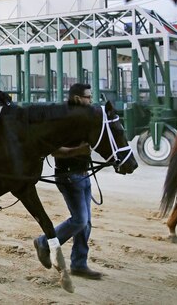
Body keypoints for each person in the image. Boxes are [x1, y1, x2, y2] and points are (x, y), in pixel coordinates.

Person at [33, 83, 103, 280]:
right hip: (68, 176)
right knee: (79, 220)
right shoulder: (61, 120)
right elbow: (52, 149)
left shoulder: (83, 118)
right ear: (78, 98)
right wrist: (77, 151)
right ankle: (44, 242)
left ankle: (79, 264)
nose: (91, 100)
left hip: (84, 173)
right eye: (88, 97)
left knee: (86, 223)